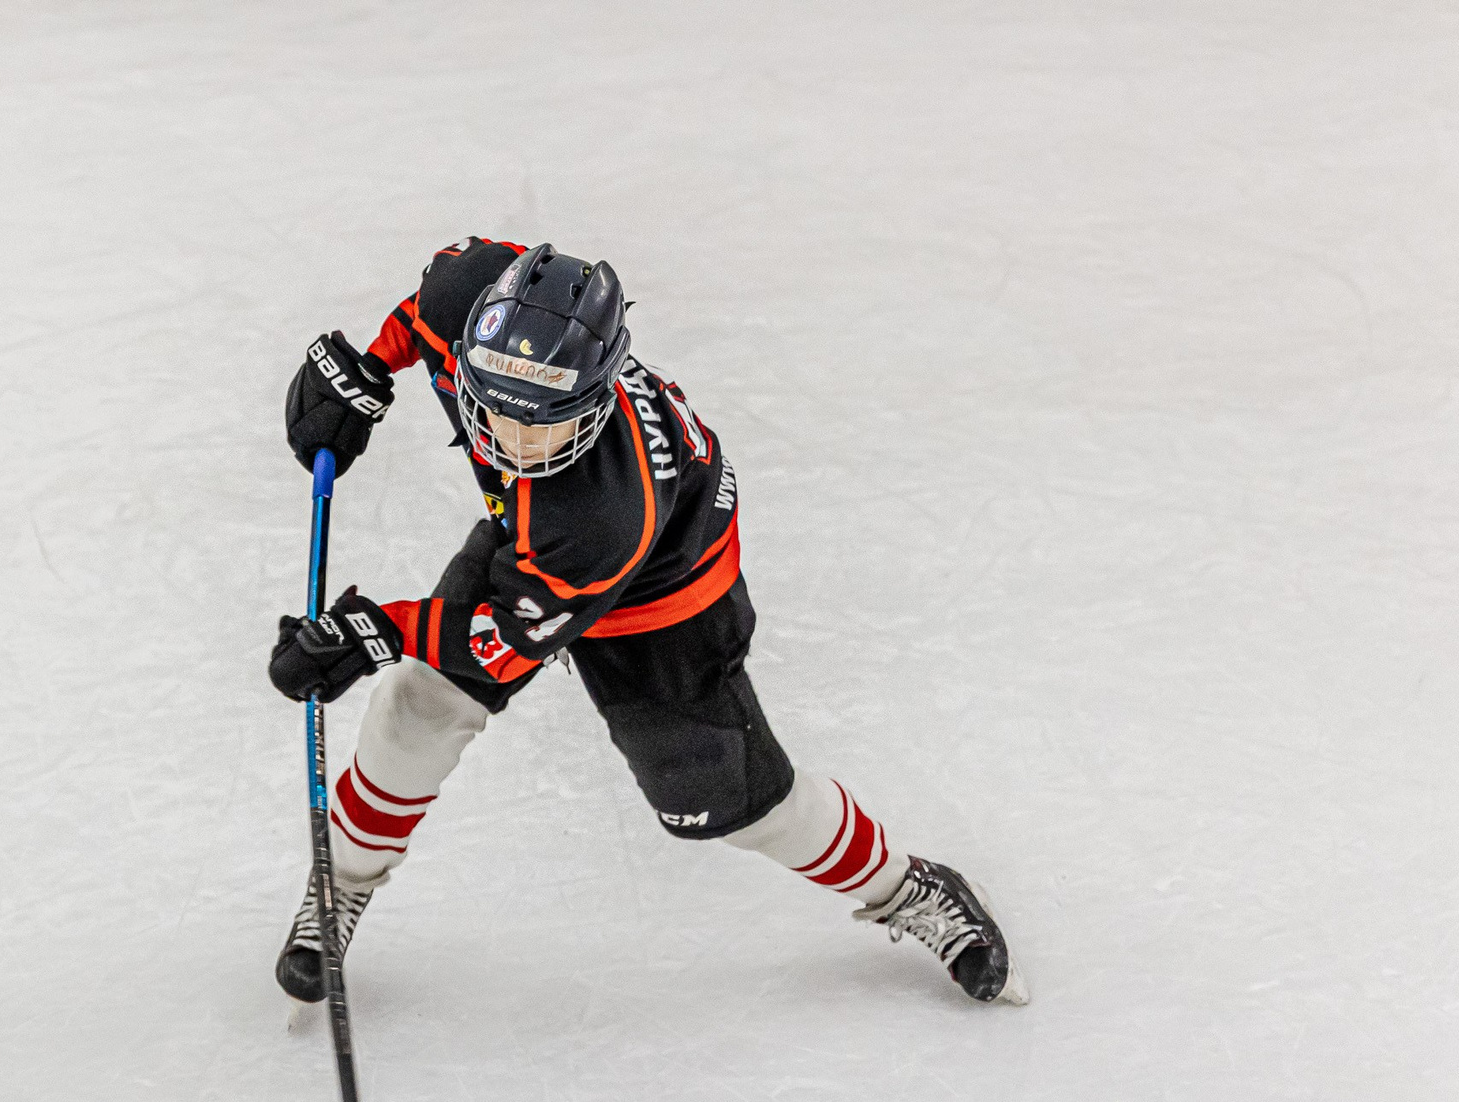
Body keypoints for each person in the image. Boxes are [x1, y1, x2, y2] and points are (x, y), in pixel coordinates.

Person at [267, 238, 1027, 1006]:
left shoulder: (599, 513)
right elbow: (425, 315)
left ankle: (909, 887)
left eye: (543, 426)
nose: (510, 442)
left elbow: (500, 638)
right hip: (537, 542)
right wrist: (367, 369)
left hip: (662, 601)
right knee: (419, 705)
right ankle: (340, 883)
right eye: (493, 406)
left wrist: (372, 631)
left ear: (594, 404)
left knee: (746, 807)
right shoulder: (474, 295)